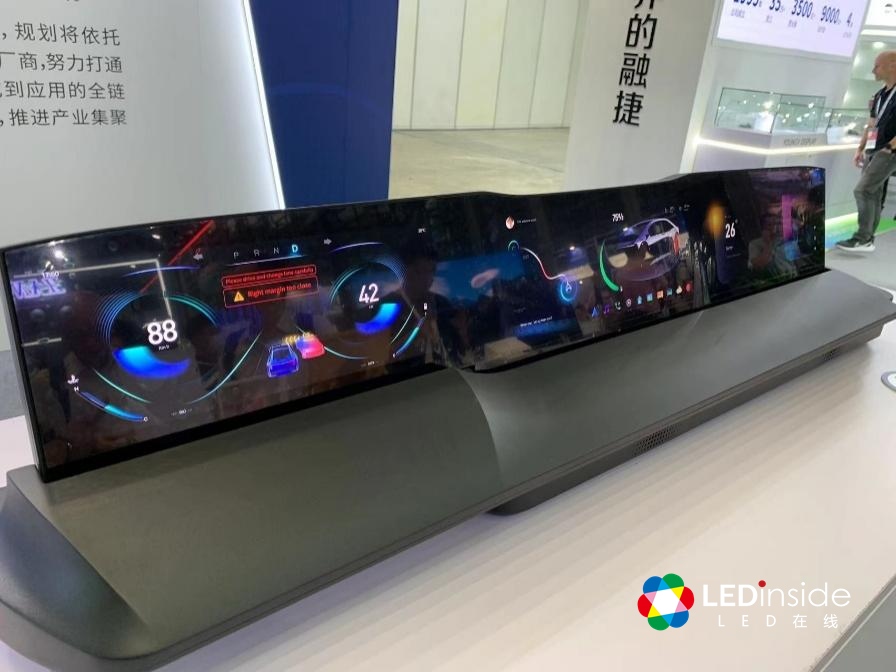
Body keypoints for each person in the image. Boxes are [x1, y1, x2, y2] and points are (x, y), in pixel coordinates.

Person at [838, 50, 896, 254]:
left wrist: (889, 147)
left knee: (862, 190)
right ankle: (868, 238)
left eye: (877, 66)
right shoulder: (879, 95)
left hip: (889, 152)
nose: (873, 70)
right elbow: (872, 124)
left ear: (892, 65)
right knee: (874, 192)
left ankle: (862, 238)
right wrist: (861, 147)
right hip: (874, 149)